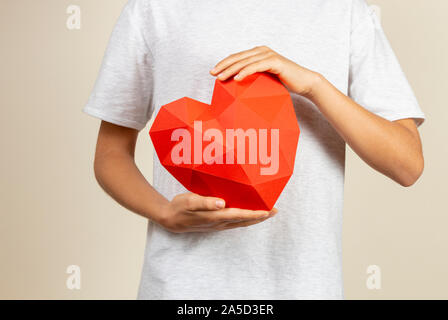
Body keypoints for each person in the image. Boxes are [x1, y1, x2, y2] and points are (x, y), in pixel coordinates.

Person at [84, 0, 425, 299]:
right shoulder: (153, 9)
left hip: (304, 287)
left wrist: (314, 85)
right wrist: (164, 213)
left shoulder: (344, 11)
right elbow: (111, 155)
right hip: (182, 289)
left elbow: (406, 163)